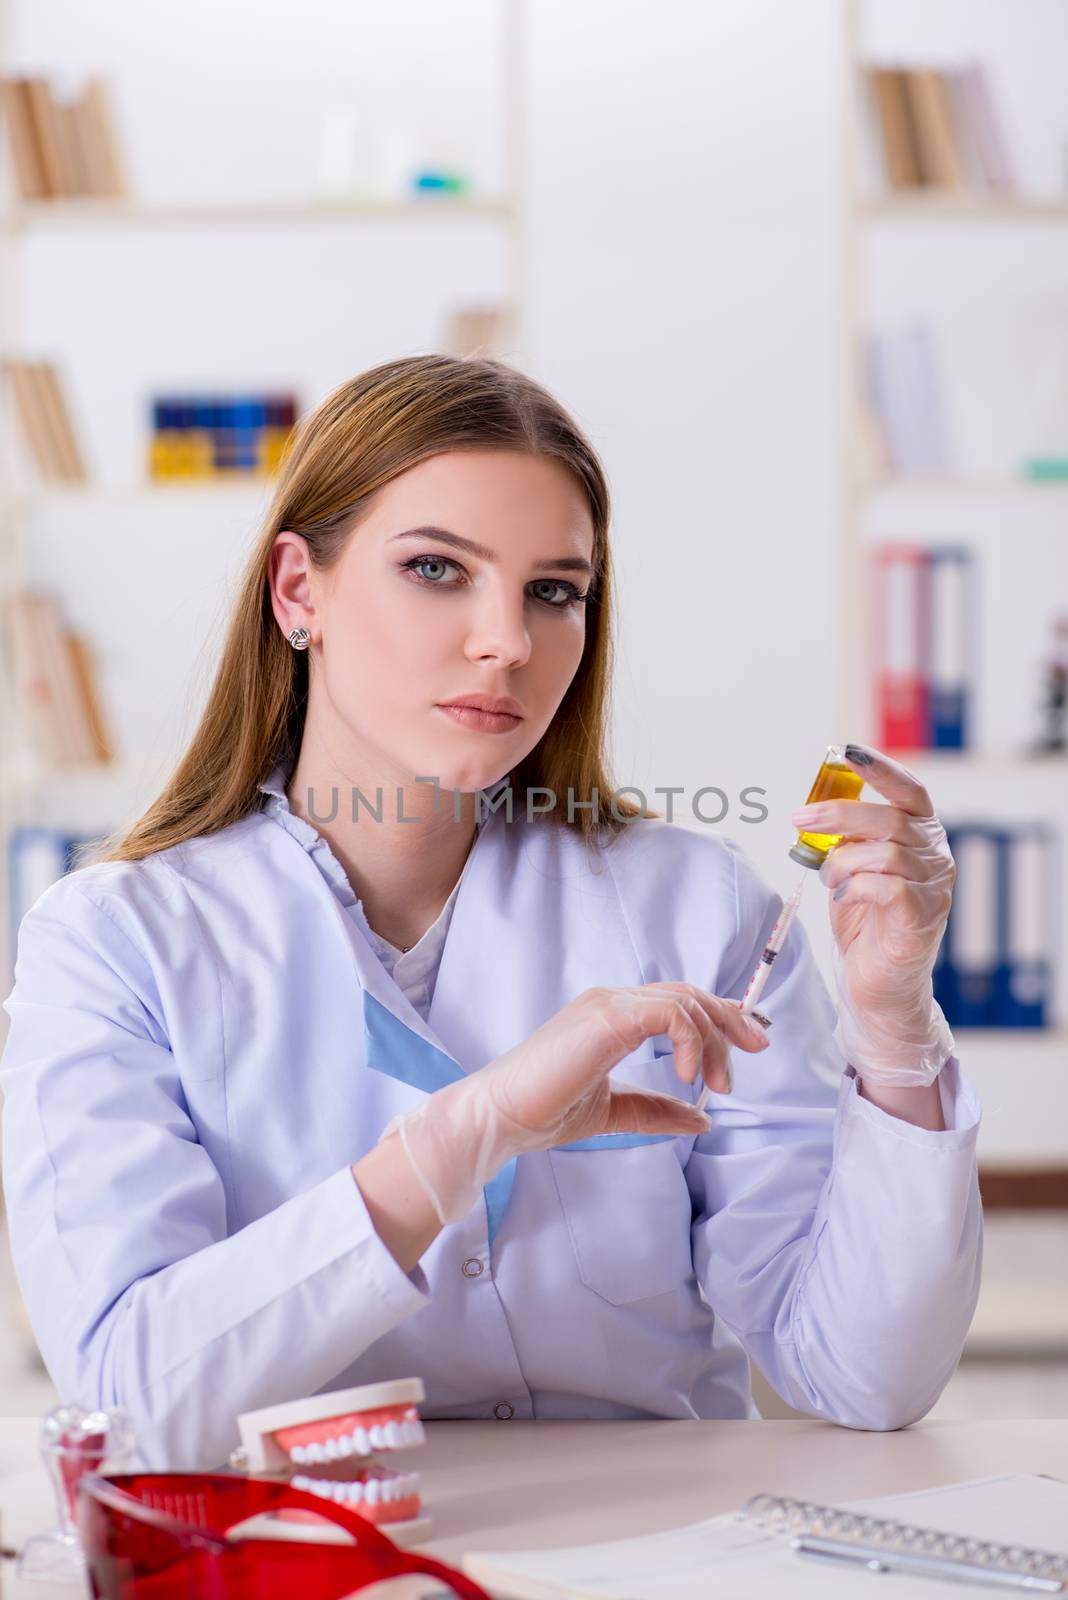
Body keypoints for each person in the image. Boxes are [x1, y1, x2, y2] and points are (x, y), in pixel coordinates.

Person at [0, 355, 981, 1472]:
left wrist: (895, 1028)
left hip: (655, 1552)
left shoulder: (697, 907)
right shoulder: (116, 941)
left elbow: (862, 1374)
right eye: (435, 568)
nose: (507, 640)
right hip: (322, 1554)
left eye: (553, 591)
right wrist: (468, 1138)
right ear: (297, 591)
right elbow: (129, 1407)